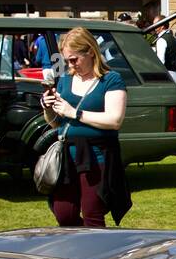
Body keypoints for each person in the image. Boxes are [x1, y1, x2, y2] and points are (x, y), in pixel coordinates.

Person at [41, 27, 130, 227]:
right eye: (67, 61)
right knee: (64, 214)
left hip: (97, 156)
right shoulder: (65, 80)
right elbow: (56, 122)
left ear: (90, 51)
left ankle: (98, 254)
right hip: (66, 157)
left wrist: (75, 113)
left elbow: (115, 120)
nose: (71, 65)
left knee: (92, 214)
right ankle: (82, 249)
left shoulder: (111, 79)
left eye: (74, 59)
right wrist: (47, 107)